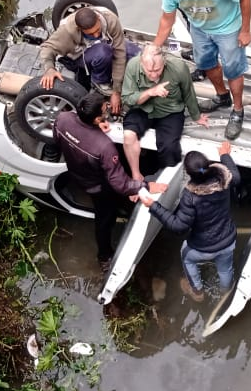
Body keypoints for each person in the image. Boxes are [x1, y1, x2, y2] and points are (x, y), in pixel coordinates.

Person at [53, 91, 168, 270]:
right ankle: (104, 256)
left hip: (77, 173)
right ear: (97, 119)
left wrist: (92, 130)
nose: (108, 110)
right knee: (105, 219)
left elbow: (57, 139)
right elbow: (120, 184)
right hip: (98, 187)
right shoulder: (104, 146)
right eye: (105, 110)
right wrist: (145, 185)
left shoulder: (63, 118)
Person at [152, 0, 251, 140]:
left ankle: (238, 110)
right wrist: (154, 47)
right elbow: (167, 20)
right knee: (205, 63)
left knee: (233, 70)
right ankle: (222, 97)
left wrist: (245, 30)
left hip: (228, 28)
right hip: (199, 27)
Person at [139, 141, 240, 302]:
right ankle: (225, 292)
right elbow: (236, 175)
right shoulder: (225, 180)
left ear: (188, 173)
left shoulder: (190, 197)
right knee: (225, 269)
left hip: (202, 246)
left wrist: (153, 206)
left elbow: (179, 226)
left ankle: (197, 292)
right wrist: (225, 155)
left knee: (187, 258)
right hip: (228, 240)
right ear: (208, 163)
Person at [122, 43, 210, 181]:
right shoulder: (132, 66)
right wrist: (151, 92)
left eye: (157, 69)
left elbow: (188, 92)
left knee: (169, 147)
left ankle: (166, 174)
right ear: (141, 63)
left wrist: (196, 116)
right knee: (128, 136)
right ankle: (135, 173)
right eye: (148, 71)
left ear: (164, 61)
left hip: (170, 111)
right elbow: (127, 98)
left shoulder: (179, 67)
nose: (153, 74)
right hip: (143, 109)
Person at [40, 6, 140, 115]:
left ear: (98, 18)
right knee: (103, 52)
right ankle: (100, 83)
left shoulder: (111, 19)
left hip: (103, 46)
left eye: (98, 30)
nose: (96, 35)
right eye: (91, 34)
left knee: (135, 53)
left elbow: (119, 52)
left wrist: (116, 90)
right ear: (79, 28)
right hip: (77, 57)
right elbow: (47, 48)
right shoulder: (66, 31)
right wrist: (49, 68)